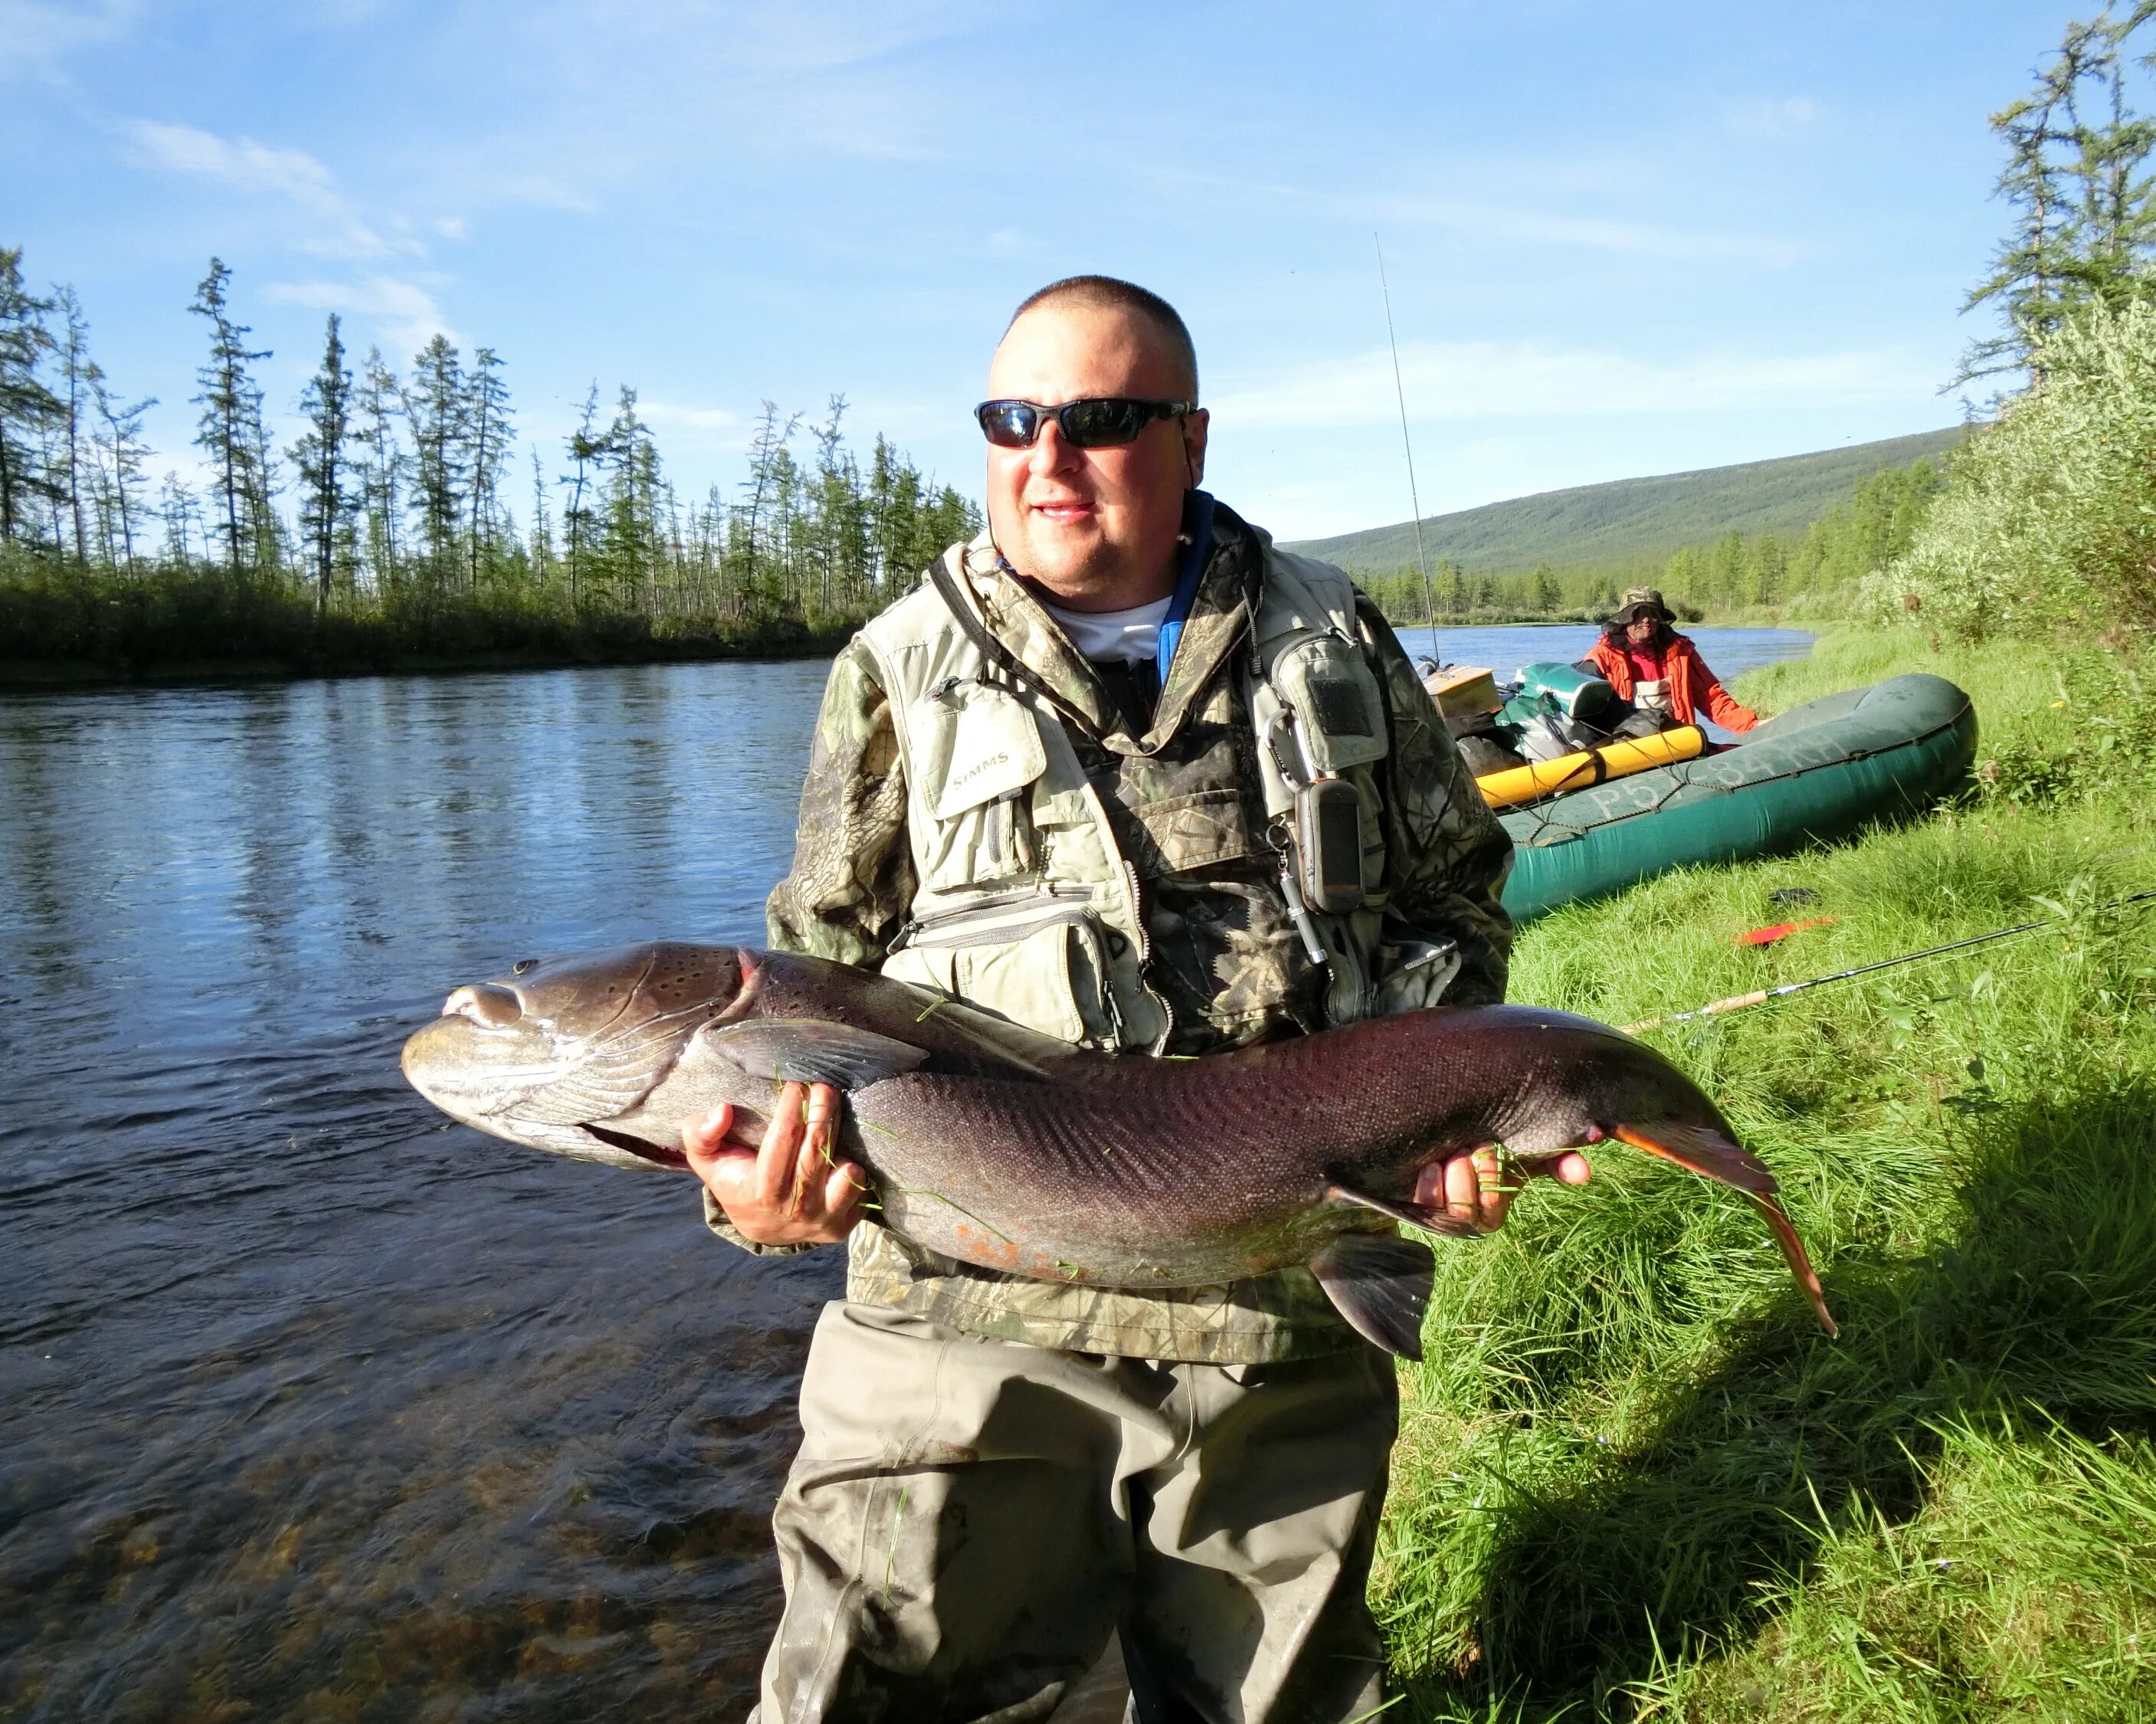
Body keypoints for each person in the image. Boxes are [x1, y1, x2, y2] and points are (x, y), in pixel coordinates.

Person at [682, 276, 1592, 1724]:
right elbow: (800, 997)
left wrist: (1445, 1119)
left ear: (1192, 436)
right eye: (1012, 419)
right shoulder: (894, 673)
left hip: (1281, 1322)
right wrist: (751, 1202)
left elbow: (1455, 898)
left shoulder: (1332, 635)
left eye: (1099, 420)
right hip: (958, 1339)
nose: (1047, 457)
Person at [1580, 588, 1758, 738]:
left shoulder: (1681, 652)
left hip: (1679, 742)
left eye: (1653, 614)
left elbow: (1710, 697)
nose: (1646, 621)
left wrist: (1751, 725)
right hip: (1627, 750)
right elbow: (1587, 713)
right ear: (1624, 619)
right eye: (1638, 614)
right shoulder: (1601, 658)